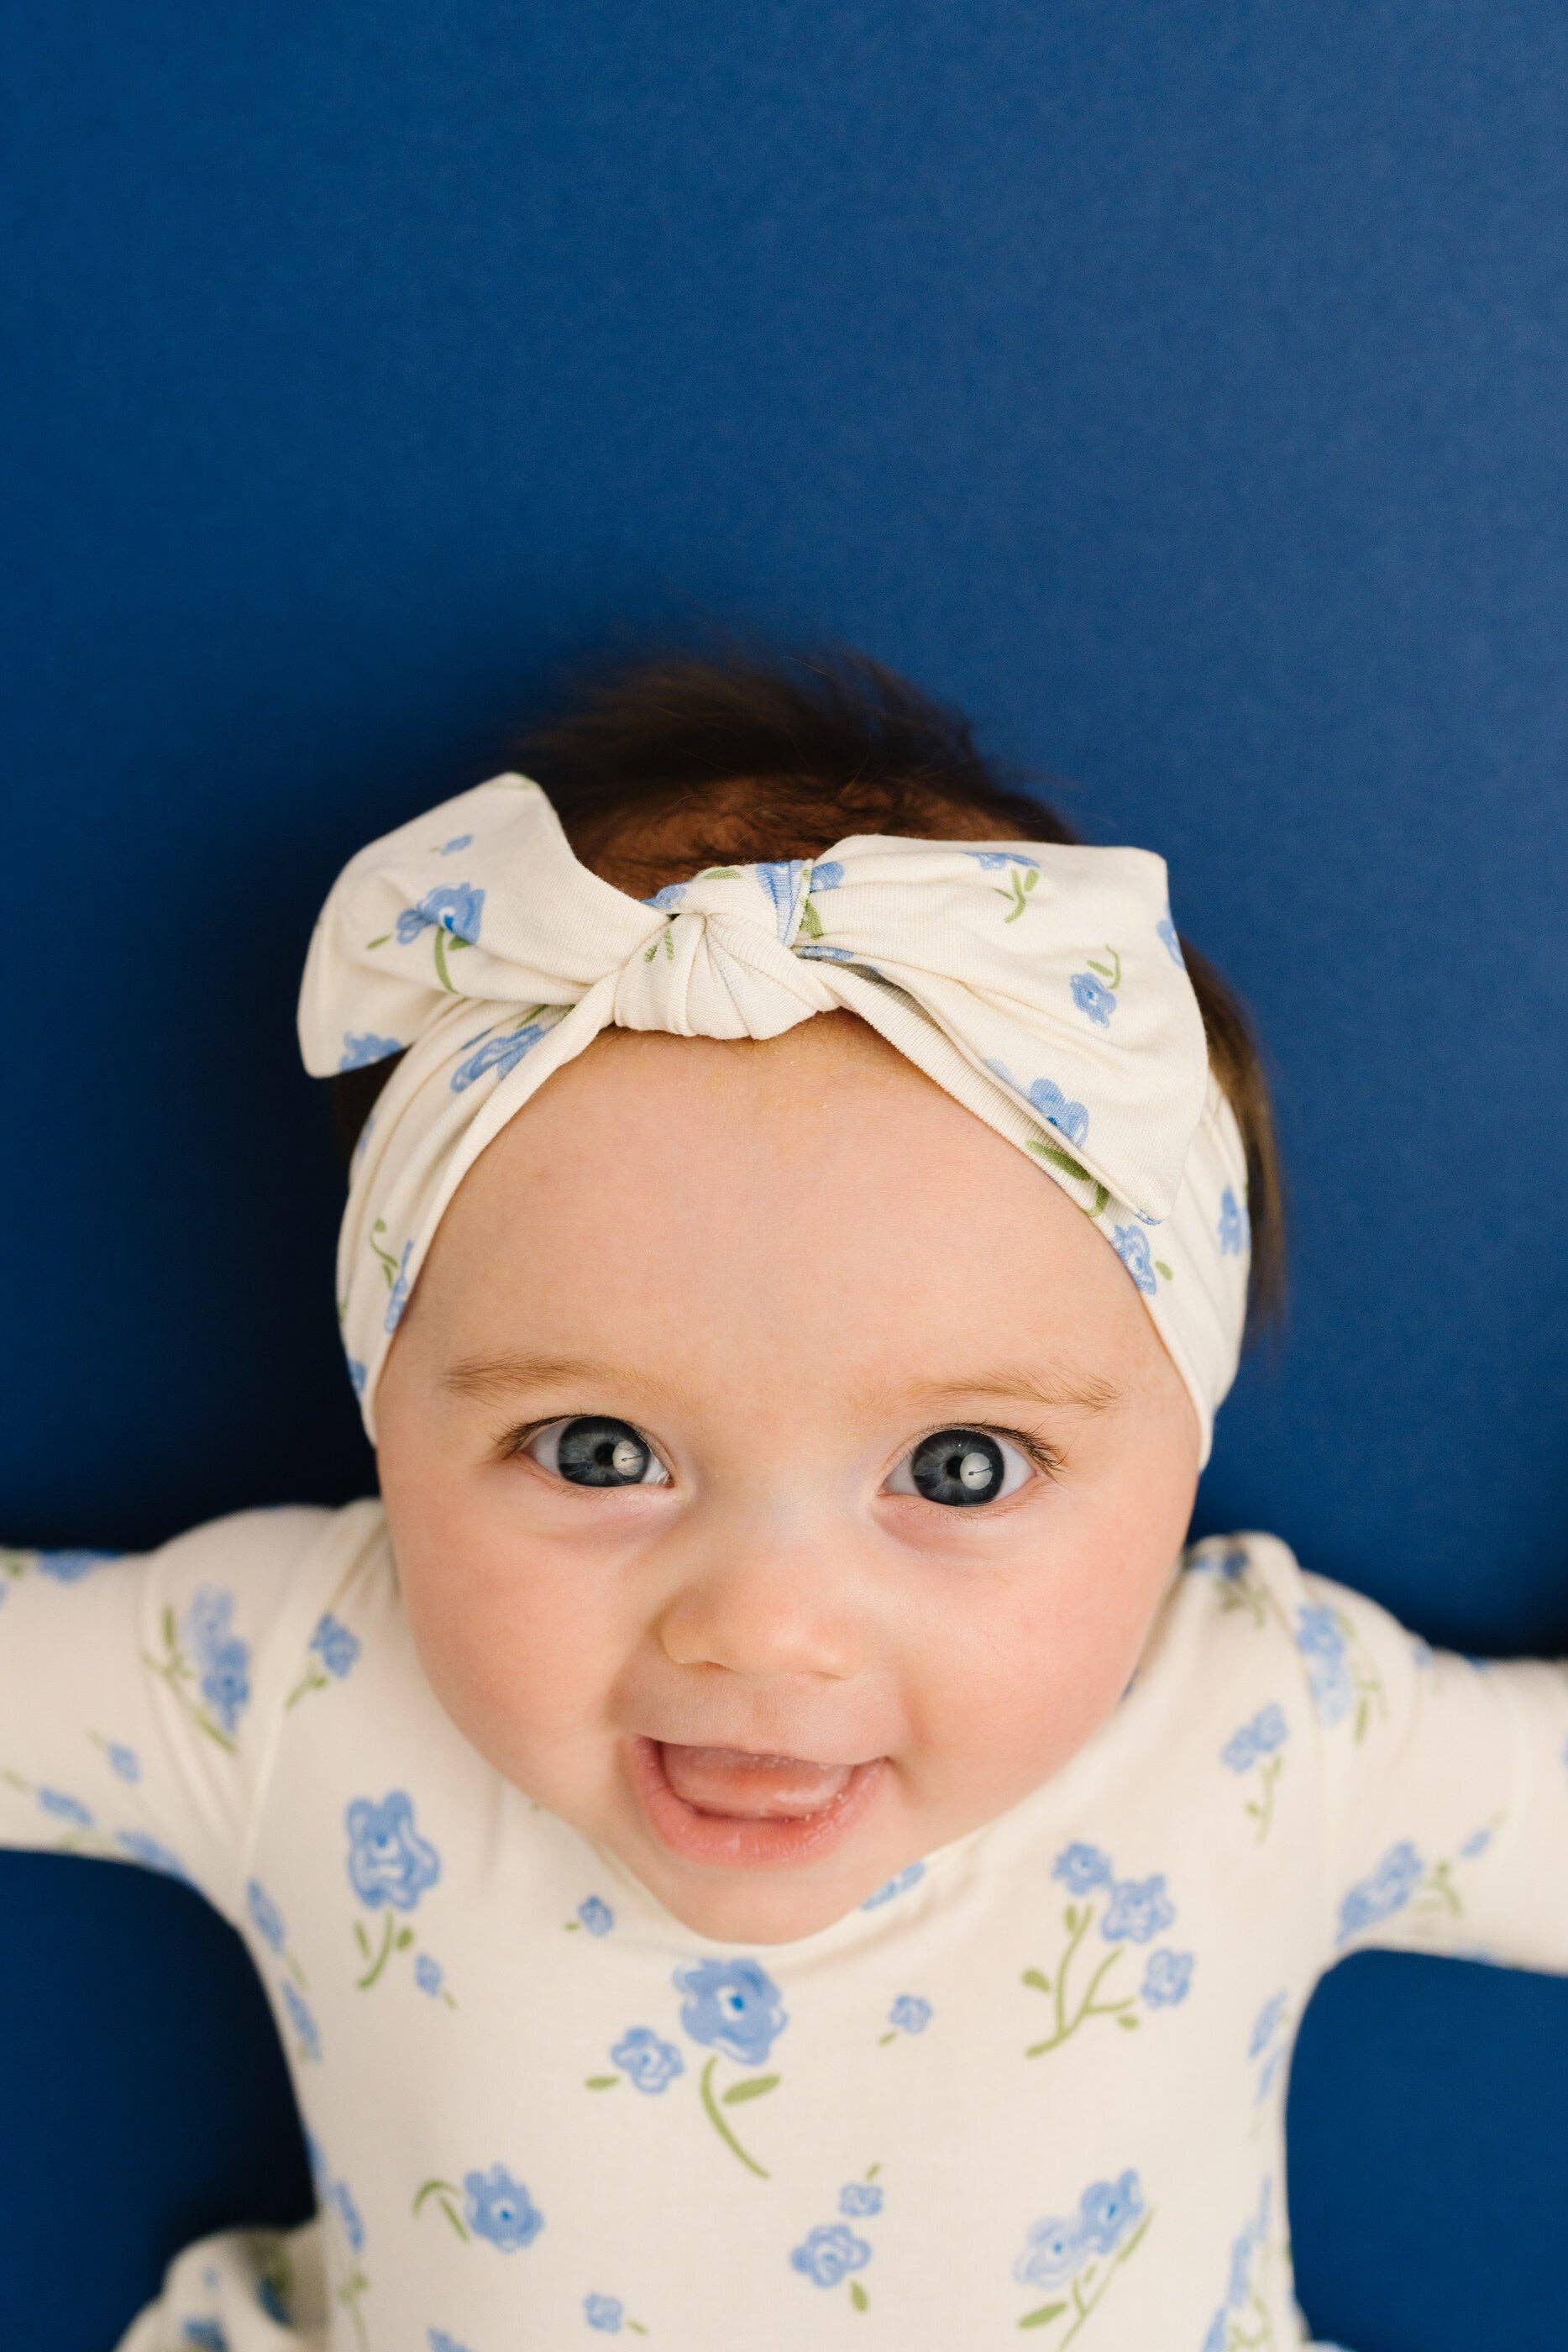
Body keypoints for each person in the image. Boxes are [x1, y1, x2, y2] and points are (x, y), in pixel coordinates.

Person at [3, 642, 1563, 2352]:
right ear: (388, 1410)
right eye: (598, 1450)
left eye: (958, 1469)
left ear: (1176, 1448)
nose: (761, 1624)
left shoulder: (1262, 1732)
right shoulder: (293, 1673)